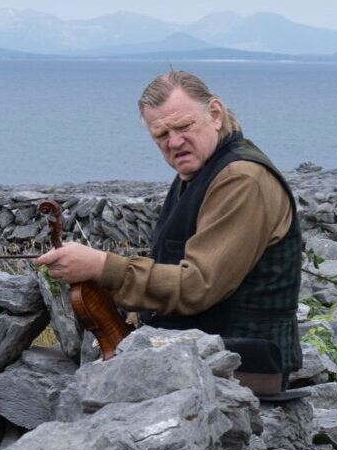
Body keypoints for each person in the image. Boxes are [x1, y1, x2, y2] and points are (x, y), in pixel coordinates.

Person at [37, 70, 305, 392]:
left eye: (183, 126)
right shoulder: (198, 172)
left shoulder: (242, 179)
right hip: (202, 366)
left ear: (215, 114)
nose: (174, 142)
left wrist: (101, 266)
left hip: (242, 376)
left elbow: (197, 285)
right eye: (161, 135)